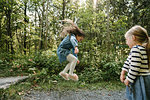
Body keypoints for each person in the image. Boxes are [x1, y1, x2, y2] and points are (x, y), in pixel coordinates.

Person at [120, 25, 150, 100]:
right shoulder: (142, 49)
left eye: (126, 40)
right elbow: (128, 61)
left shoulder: (136, 49)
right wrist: (123, 72)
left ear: (133, 37)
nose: (126, 42)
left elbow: (135, 67)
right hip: (143, 78)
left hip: (139, 80)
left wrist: (128, 79)